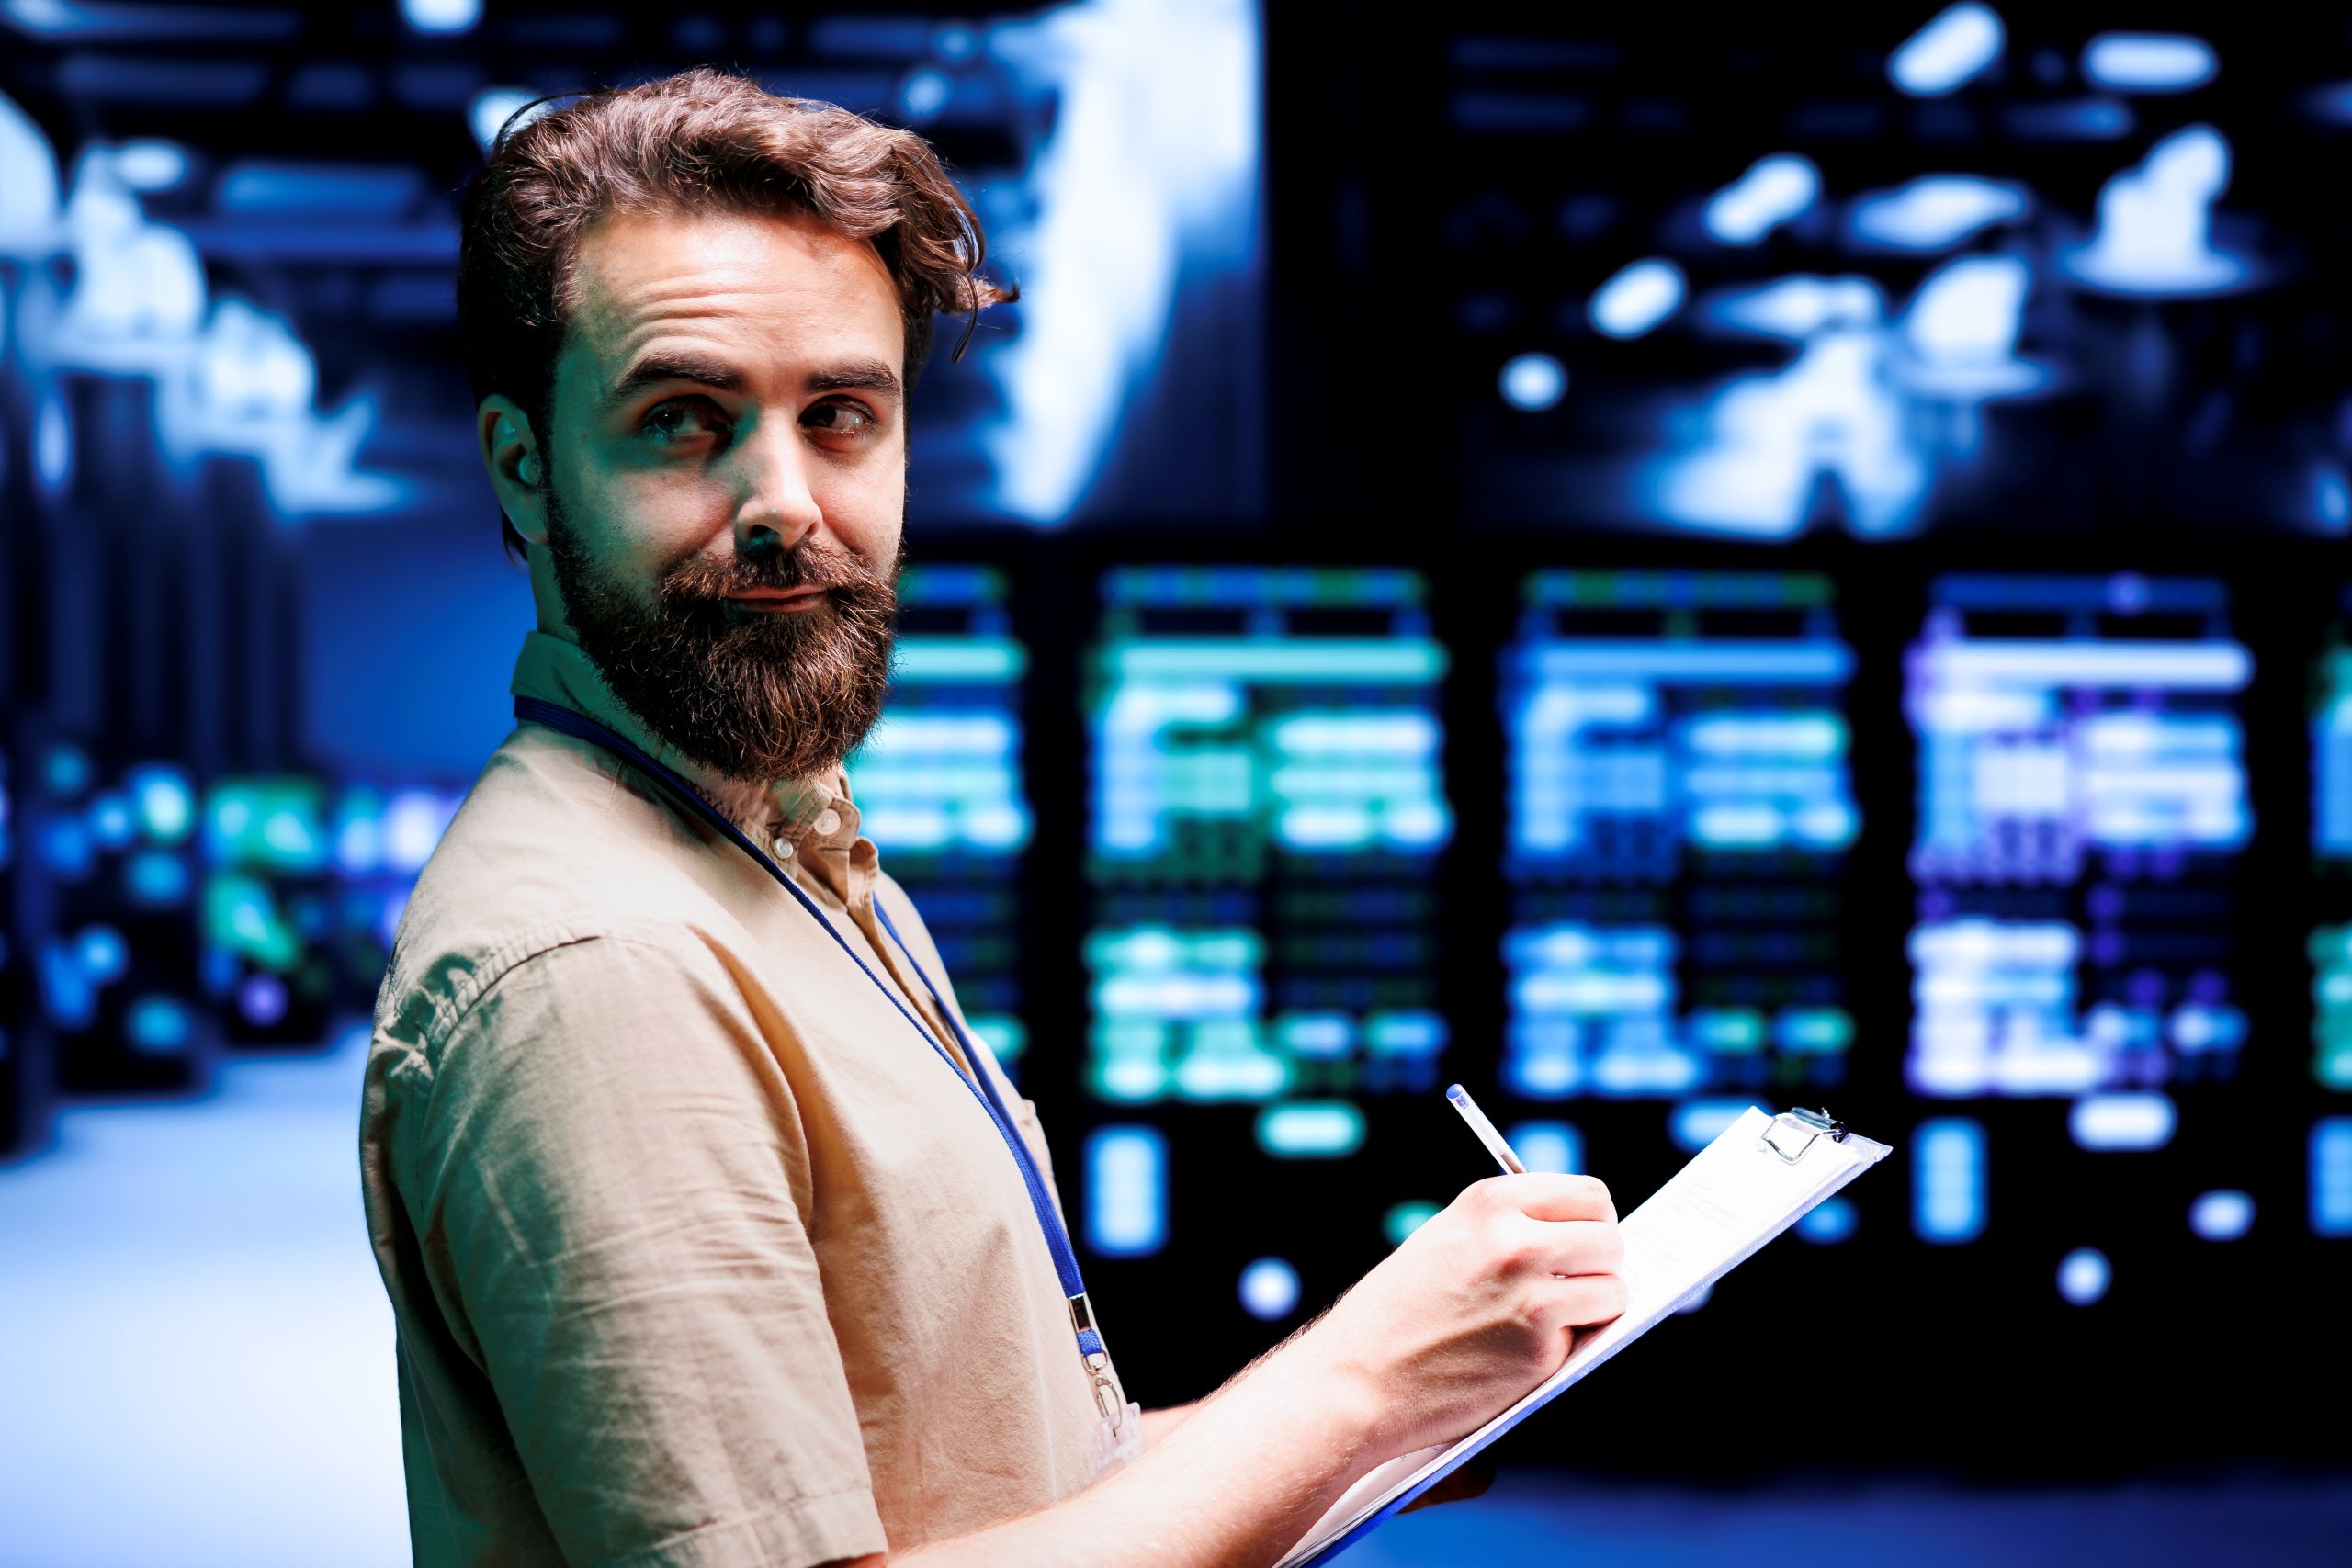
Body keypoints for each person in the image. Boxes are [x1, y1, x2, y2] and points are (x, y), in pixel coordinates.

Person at [359, 68, 1625, 1568]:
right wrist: (1356, 1387)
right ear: (526, 465)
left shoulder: (793, 853)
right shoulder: (600, 974)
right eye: (685, 421)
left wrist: (1389, 1416)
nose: (785, 503)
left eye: (841, 415)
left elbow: (970, 1481)